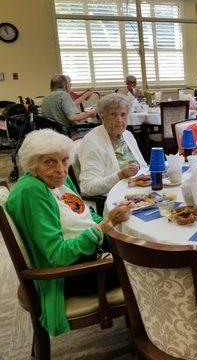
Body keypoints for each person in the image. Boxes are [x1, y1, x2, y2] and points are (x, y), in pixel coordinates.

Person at [6, 129, 132, 336]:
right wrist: (102, 228)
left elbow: (85, 215)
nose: (61, 170)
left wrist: (109, 222)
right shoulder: (32, 191)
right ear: (32, 163)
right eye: (49, 162)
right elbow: (57, 256)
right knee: (149, 264)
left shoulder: (59, 180)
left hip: (92, 253)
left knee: (138, 241)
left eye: (65, 160)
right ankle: (148, 333)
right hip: (74, 274)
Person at [78, 94, 146, 197]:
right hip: (115, 198)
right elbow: (89, 186)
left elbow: (143, 167)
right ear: (103, 117)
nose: (119, 119)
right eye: (113, 114)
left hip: (139, 191)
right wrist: (120, 175)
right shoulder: (92, 142)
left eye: (123, 114)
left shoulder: (127, 135)